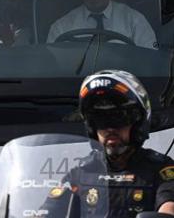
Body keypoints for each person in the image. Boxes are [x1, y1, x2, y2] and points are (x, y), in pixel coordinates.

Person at [44, 70, 174, 216]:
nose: (110, 129)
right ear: (92, 126)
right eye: (101, 120)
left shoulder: (161, 170)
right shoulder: (82, 172)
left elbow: (169, 207)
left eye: (119, 118)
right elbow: (48, 211)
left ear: (138, 122)